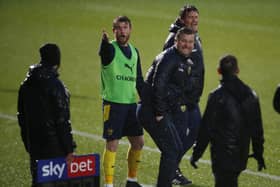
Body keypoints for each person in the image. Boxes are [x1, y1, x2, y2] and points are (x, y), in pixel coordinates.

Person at [190, 55, 266, 187]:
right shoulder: (250, 94)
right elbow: (257, 128)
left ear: (219, 71)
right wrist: (258, 153)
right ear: (237, 70)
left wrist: (197, 153)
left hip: (221, 155)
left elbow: (206, 128)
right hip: (241, 155)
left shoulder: (216, 96)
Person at [137, 27, 197, 187]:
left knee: (175, 148)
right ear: (176, 41)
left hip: (159, 109)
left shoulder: (183, 59)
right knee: (172, 150)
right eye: (184, 41)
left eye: (191, 42)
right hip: (152, 111)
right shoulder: (169, 58)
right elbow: (158, 86)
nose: (187, 45)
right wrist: (159, 113)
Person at [17, 43, 76, 187]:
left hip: (34, 143)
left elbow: (21, 116)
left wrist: (27, 142)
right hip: (54, 146)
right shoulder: (56, 85)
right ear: (57, 61)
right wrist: (69, 149)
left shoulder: (26, 84)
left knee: (38, 182)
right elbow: (62, 120)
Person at [98, 16, 144, 187]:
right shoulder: (109, 49)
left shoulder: (135, 51)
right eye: (119, 28)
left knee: (138, 142)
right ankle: (109, 184)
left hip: (131, 104)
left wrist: (147, 100)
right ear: (114, 31)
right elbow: (104, 53)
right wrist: (103, 44)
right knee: (112, 144)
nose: (122, 31)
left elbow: (139, 79)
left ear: (130, 30)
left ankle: (132, 180)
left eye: (125, 27)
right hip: (114, 104)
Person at [163, 4, 204, 185]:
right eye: (191, 17)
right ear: (182, 19)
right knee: (178, 138)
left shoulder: (195, 36)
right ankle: (171, 171)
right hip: (179, 99)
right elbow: (166, 68)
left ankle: (172, 168)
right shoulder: (175, 38)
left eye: (196, 16)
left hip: (192, 98)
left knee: (196, 132)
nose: (195, 20)